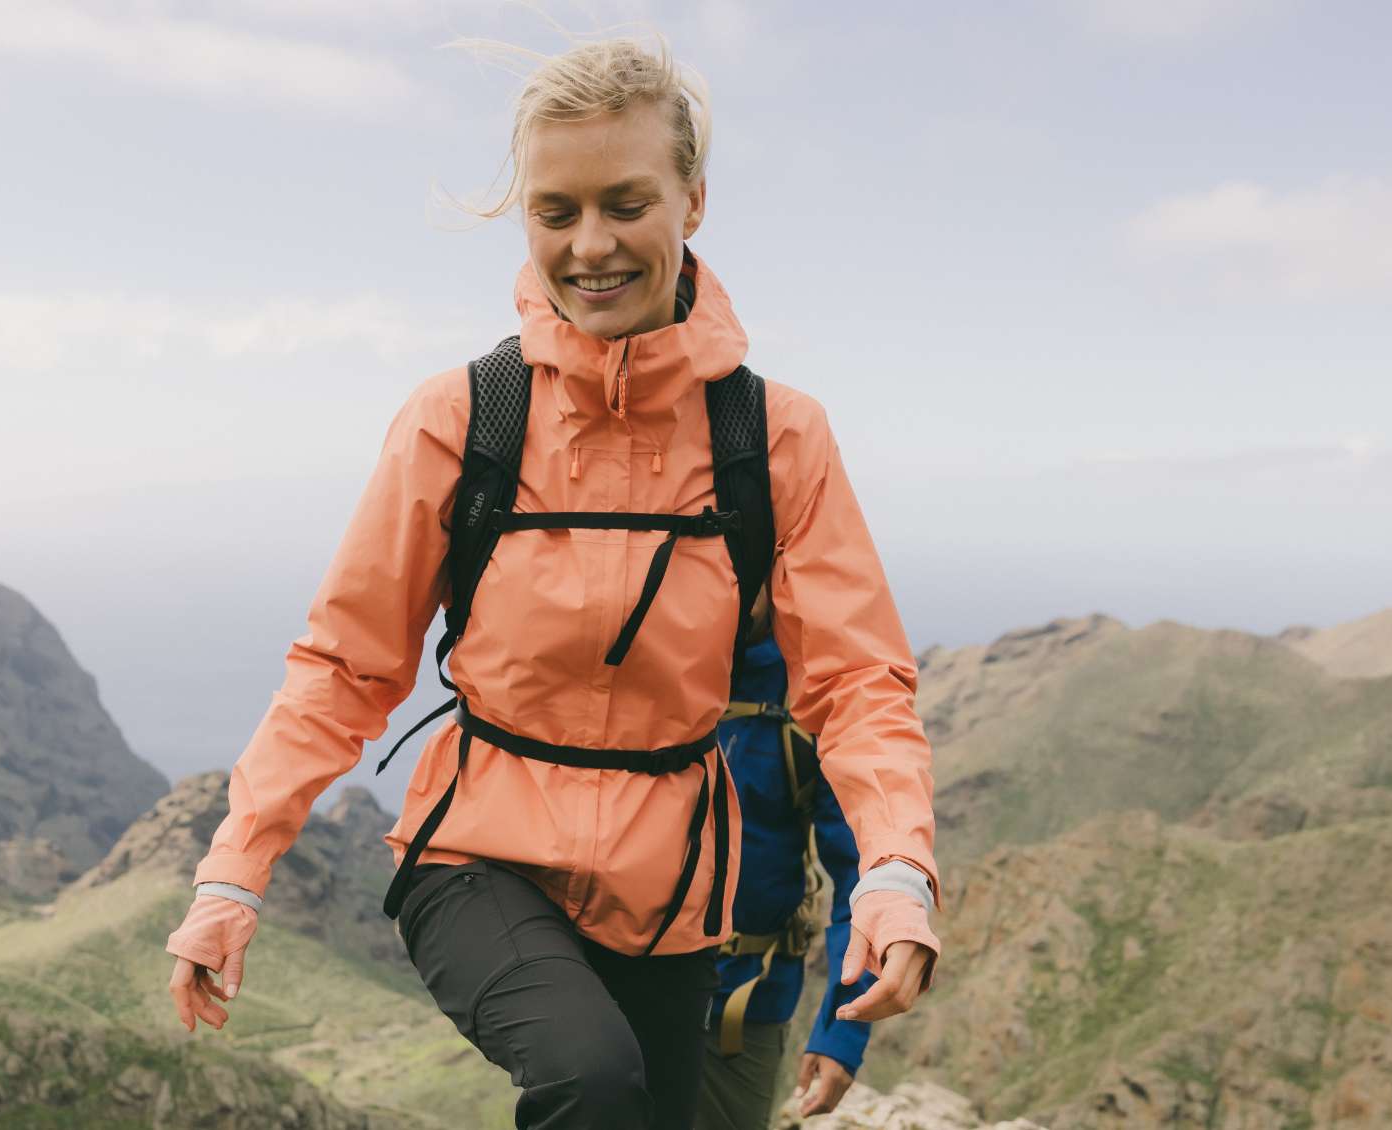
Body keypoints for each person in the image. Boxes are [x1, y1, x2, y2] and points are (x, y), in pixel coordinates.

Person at [157, 35, 943, 1130]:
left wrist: (896, 871)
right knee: (590, 1077)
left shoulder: (775, 437)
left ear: (694, 201)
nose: (591, 245)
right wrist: (232, 875)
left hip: (672, 893)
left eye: (627, 203)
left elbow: (856, 683)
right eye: (555, 211)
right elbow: (344, 666)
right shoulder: (462, 419)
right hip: (476, 855)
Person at [696, 637, 875, 1128]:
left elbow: (862, 879)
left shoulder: (808, 689)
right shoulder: (651, 658)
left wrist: (841, 1032)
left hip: (741, 1009)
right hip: (619, 991)